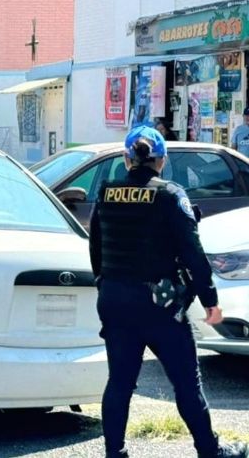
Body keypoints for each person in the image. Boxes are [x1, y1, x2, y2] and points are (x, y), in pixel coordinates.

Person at [89, 126, 247, 458]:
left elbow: (97, 250)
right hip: (160, 306)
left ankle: (114, 453)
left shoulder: (105, 192)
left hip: (116, 302)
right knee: (187, 384)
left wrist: (106, 284)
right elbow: (193, 253)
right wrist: (210, 302)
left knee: (119, 382)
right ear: (162, 161)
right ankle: (210, 450)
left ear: (126, 159)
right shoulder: (170, 194)